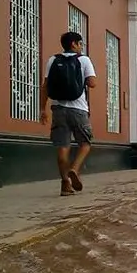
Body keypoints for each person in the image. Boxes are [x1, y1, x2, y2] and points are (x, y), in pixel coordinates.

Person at [40, 31, 97, 196]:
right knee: (85, 143)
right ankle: (74, 169)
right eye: (80, 43)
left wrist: (43, 109)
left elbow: (45, 86)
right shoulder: (83, 60)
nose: (81, 47)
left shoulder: (53, 60)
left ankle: (65, 183)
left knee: (62, 147)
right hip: (79, 109)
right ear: (74, 44)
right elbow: (93, 83)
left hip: (58, 109)